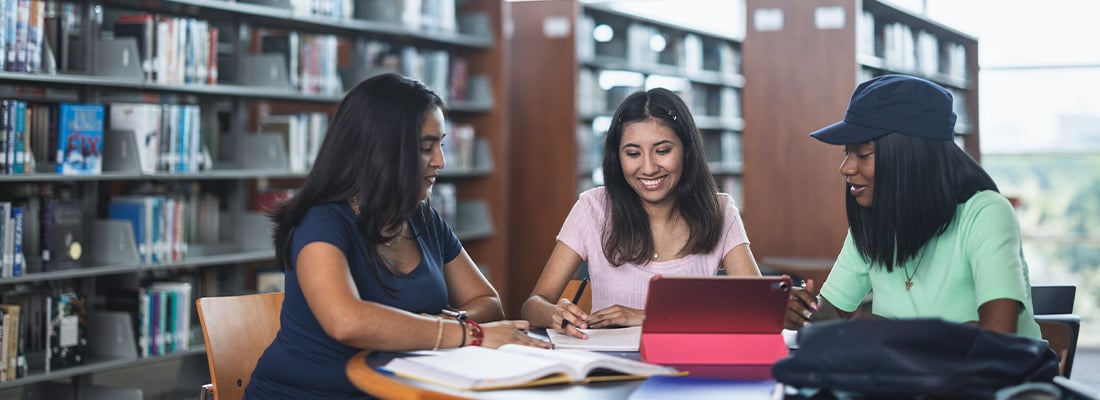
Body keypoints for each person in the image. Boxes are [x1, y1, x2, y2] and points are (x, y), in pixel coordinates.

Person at [246, 73, 549, 399]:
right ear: (380, 150)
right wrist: (467, 334)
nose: (441, 161)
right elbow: (346, 321)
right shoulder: (319, 221)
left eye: (441, 144)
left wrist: (440, 324)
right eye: (425, 147)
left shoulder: (423, 219)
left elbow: (488, 303)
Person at [784, 74, 1041, 340]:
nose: (846, 168)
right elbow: (833, 313)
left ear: (911, 156)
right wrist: (801, 311)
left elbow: (998, 335)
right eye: (846, 154)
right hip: (903, 378)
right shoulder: (872, 221)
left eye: (863, 154)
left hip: (989, 380)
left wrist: (889, 331)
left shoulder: (986, 213)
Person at [521, 87, 762, 338]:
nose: (648, 168)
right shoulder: (592, 208)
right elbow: (533, 305)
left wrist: (649, 317)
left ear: (687, 150)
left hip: (691, 367)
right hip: (611, 369)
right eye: (633, 153)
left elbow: (758, 309)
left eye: (662, 151)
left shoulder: (721, 211)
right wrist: (554, 313)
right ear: (618, 157)